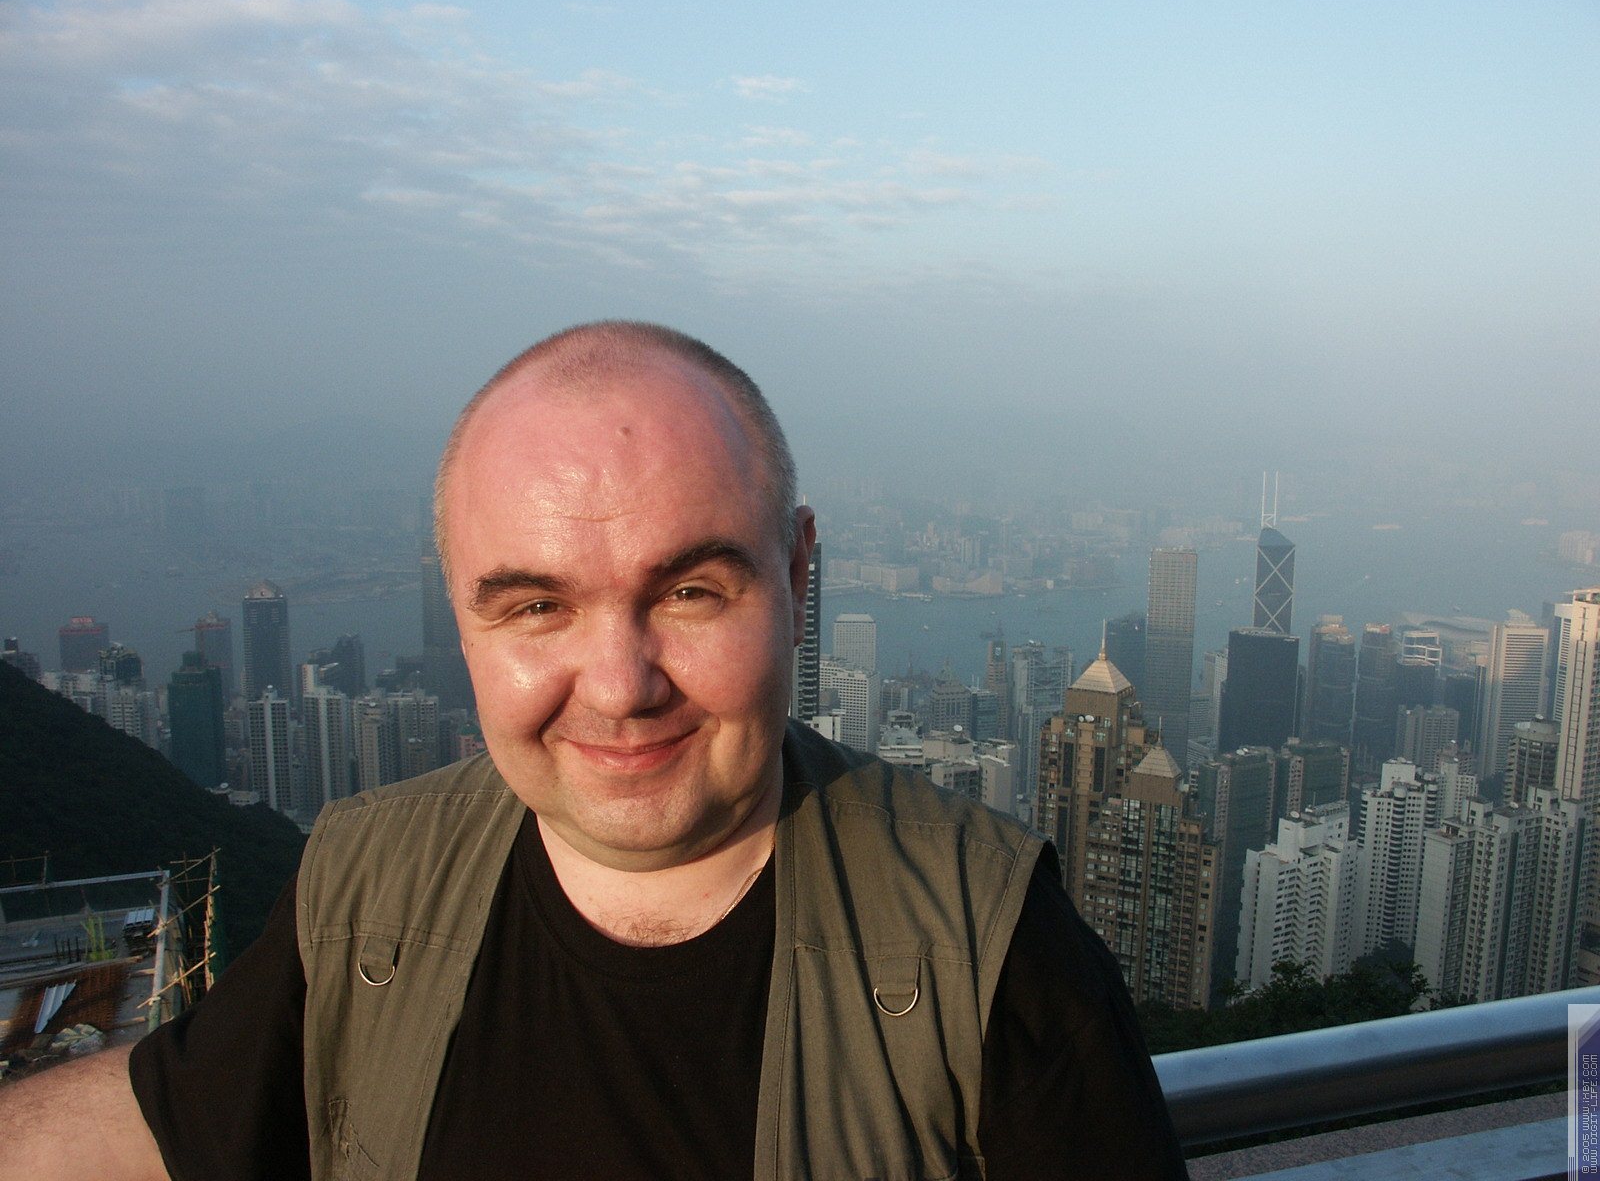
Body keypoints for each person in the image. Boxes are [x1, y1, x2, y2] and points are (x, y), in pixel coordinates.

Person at [0, 322, 1188, 1179]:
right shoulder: (364, 886)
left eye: (690, 591)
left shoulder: (987, 944)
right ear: (461, 616)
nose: (620, 687)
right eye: (535, 608)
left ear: (797, 573)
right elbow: (168, 1119)